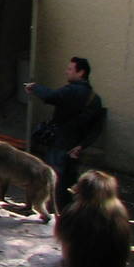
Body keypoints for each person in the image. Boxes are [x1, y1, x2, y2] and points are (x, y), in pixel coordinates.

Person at [26, 56, 95, 188]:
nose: (66, 71)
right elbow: (95, 125)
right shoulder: (93, 97)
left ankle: (51, 204)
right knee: (68, 178)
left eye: (70, 69)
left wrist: (35, 88)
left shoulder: (72, 90)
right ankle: (65, 203)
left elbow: (52, 96)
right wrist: (83, 145)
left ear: (81, 72)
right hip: (76, 142)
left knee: (52, 176)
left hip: (62, 141)